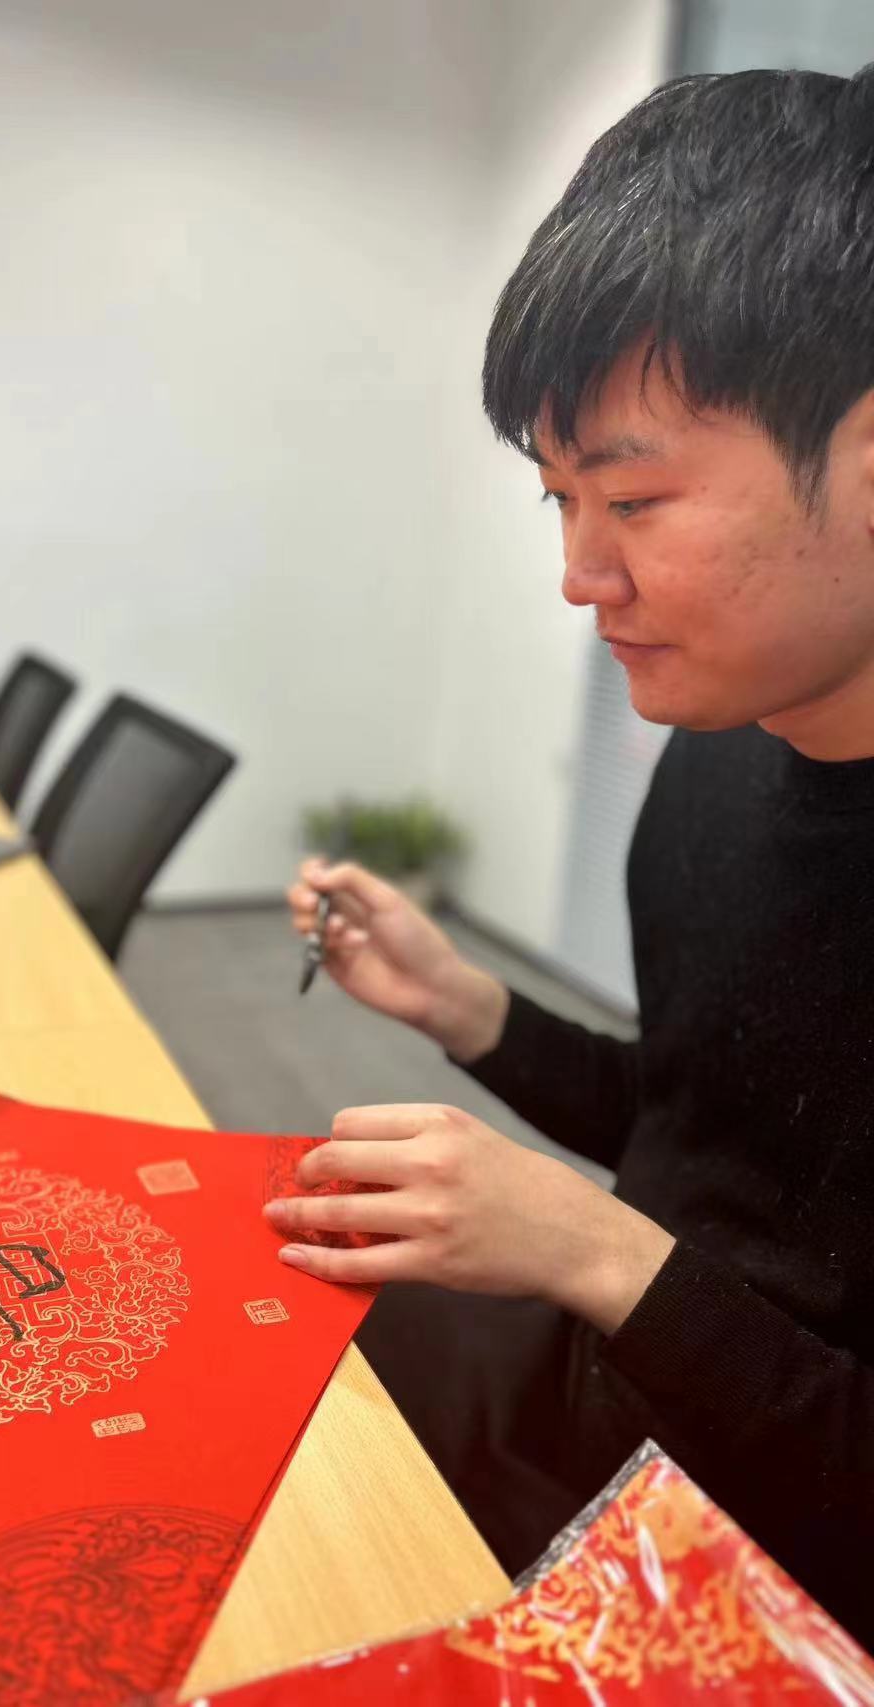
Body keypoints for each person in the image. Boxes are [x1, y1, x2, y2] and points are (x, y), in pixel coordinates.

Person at [281, 65, 874, 1648]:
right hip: (611, 1408)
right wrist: (469, 1009)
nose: (578, 574)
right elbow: (710, 1123)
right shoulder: (722, 755)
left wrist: (596, 1247)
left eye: (634, 498)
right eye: (559, 499)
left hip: (760, 1579)